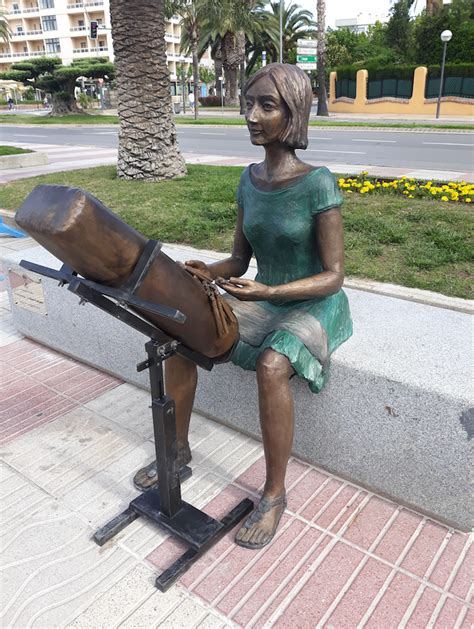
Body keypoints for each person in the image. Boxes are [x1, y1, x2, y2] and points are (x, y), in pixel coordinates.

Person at [134, 63, 353, 549]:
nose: (252, 115)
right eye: (249, 104)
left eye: (266, 106)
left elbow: (335, 275)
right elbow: (239, 259)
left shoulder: (319, 183)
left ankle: (275, 494)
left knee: (273, 366)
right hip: (264, 295)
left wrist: (269, 293)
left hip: (315, 303)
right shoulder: (248, 180)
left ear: (293, 113)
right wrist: (209, 272)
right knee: (182, 334)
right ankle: (179, 448)